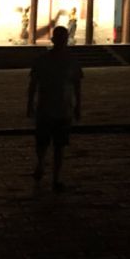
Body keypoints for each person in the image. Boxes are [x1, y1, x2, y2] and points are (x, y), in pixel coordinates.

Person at [26, 26, 83, 193]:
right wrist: (78, 106)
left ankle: (50, 172)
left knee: (53, 144)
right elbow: (77, 86)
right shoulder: (66, 61)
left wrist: (30, 104)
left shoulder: (47, 60)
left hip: (54, 108)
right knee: (54, 144)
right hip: (55, 108)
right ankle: (48, 171)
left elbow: (33, 84)